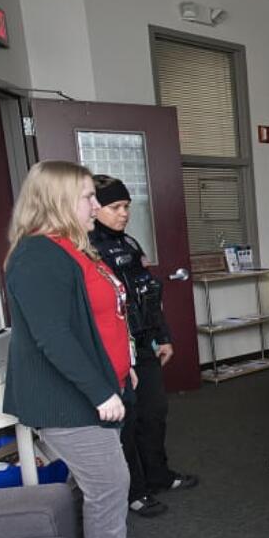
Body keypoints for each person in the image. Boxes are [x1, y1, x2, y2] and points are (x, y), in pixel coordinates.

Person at [3, 160, 152, 538]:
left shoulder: (74, 248)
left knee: (100, 485)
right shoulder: (36, 256)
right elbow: (53, 336)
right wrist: (99, 391)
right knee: (109, 487)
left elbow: (107, 316)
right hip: (71, 400)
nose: (96, 205)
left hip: (103, 387)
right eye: (87, 197)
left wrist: (124, 369)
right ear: (56, 200)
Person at [89, 175, 197, 518]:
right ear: (94, 208)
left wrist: (163, 335)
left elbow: (148, 297)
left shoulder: (130, 245)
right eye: (115, 207)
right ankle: (134, 491)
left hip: (144, 344)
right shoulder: (87, 251)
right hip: (117, 350)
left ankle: (158, 475)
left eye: (126, 207)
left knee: (154, 413)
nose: (124, 214)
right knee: (128, 422)